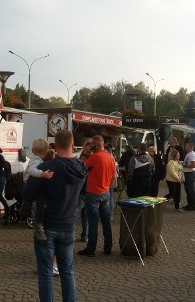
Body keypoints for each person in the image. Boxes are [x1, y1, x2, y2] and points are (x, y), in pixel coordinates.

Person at [23, 129, 88, 302]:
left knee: (45, 272)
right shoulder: (81, 168)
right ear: (72, 145)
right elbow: (83, 195)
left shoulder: (45, 168)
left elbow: (27, 194)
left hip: (46, 226)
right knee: (67, 271)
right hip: (69, 225)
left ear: (54, 145)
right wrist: (75, 211)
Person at [78, 135, 116, 257]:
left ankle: (91, 249)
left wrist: (85, 153)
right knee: (106, 221)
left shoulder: (95, 157)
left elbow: (80, 167)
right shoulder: (110, 157)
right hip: (105, 192)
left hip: (93, 193)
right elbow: (113, 177)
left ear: (94, 145)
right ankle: (108, 247)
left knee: (93, 222)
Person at [22, 138, 54, 242]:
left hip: (31, 184)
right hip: (29, 182)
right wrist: (42, 174)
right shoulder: (35, 160)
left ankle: (28, 210)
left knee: (39, 202)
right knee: (40, 202)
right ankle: (38, 224)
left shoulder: (37, 159)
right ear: (46, 151)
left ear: (32, 149)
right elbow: (32, 171)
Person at [182, 142, 195, 211]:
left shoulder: (192, 155)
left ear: (190, 147)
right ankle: (189, 204)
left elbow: (194, 165)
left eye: (186, 146)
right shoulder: (188, 154)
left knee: (190, 190)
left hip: (190, 173)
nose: (185, 147)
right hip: (187, 173)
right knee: (188, 190)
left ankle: (192, 205)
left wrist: (185, 165)